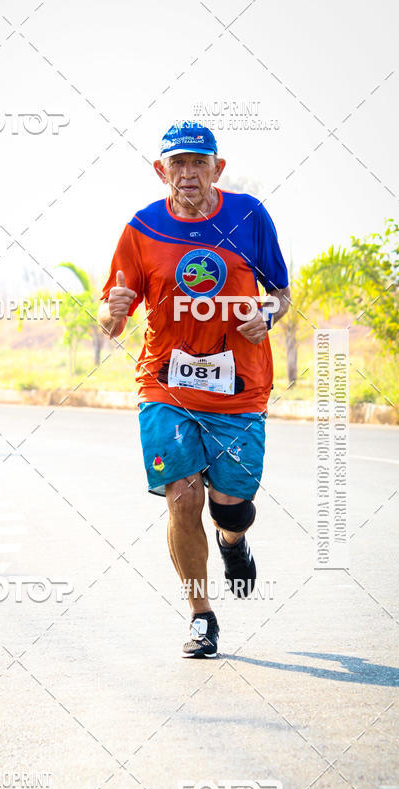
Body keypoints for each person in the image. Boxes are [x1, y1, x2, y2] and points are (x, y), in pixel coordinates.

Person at [97, 122, 291, 659]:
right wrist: (110, 316)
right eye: (177, 163)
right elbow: (113, 314)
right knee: (183, 497)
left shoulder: (248, 216)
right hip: (165, 386)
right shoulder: (141, 230)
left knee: (231, 504)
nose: (187, 173)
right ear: (161, 170)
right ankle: (201, 616)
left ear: (217, 169)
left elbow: (279, 292)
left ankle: (233, 541)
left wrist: (267, 314)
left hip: (240, 390)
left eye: (198, 163)